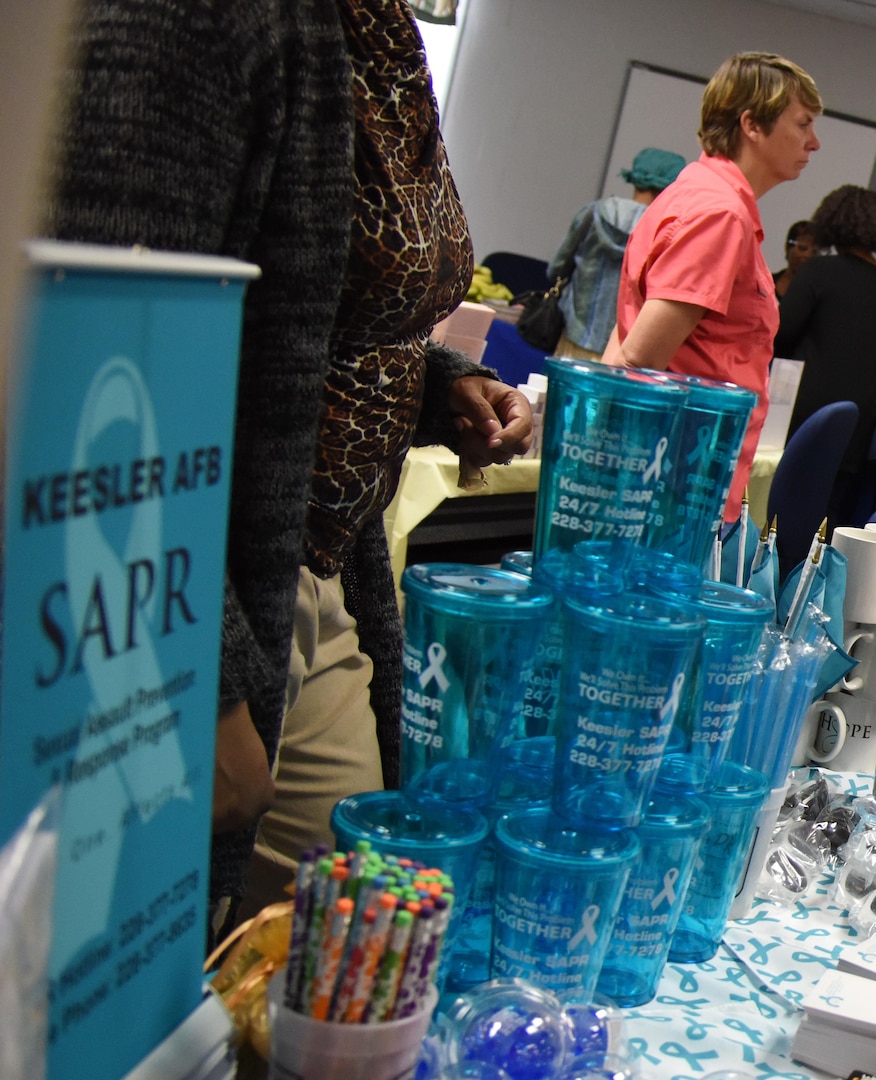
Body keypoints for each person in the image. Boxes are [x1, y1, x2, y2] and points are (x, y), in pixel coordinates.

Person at [48, 0, 531, 924]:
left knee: (343, 940)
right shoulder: (209, 20)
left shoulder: (377, 31)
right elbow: (95, 360)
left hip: (314, 566)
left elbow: (313, 308)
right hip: (192, 584)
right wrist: (199, 674)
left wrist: (435, 387)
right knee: (174, 970)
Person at [606, 51, 821, 528]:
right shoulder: (720, 214)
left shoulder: (695, 194)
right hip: (677, 483)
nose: (814, 142)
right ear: (752, 125)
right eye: (803, 124)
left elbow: (624, 338)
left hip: (667, 473)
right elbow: (640, 358)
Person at [774, 185, 876, 533]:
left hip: (803, 415)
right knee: (829, 517)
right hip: (857, 424)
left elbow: (781, 332)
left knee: (781, 510)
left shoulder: (818, 271)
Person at [546, 147, 686, 360]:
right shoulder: (666, 231)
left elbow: (557, 268)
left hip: (574, 335)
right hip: (622, 351)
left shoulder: (594, 213)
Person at [772, 218, 818, 298]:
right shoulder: (767, 284)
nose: (808, 255)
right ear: (789, 248)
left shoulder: (820, 292)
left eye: (815, 252)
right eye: (803, 248)